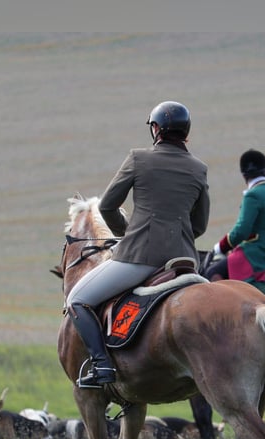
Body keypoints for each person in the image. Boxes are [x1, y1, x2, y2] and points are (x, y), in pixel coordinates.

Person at [66, 101, 210, 388]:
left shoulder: (138, 158)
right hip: (184, 259)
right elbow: (200, 225)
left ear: (155, 129)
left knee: (77, 301)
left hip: (139, 258)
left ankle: (102, 366)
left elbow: (107, 207)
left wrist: (130, 234)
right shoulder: (198, 169)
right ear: (186, 132)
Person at [203, 149, 265, 283]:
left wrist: (220, 247)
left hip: (258, 252)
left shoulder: (253, 195)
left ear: (244, 175)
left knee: (212, 271)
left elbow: (242, 230)